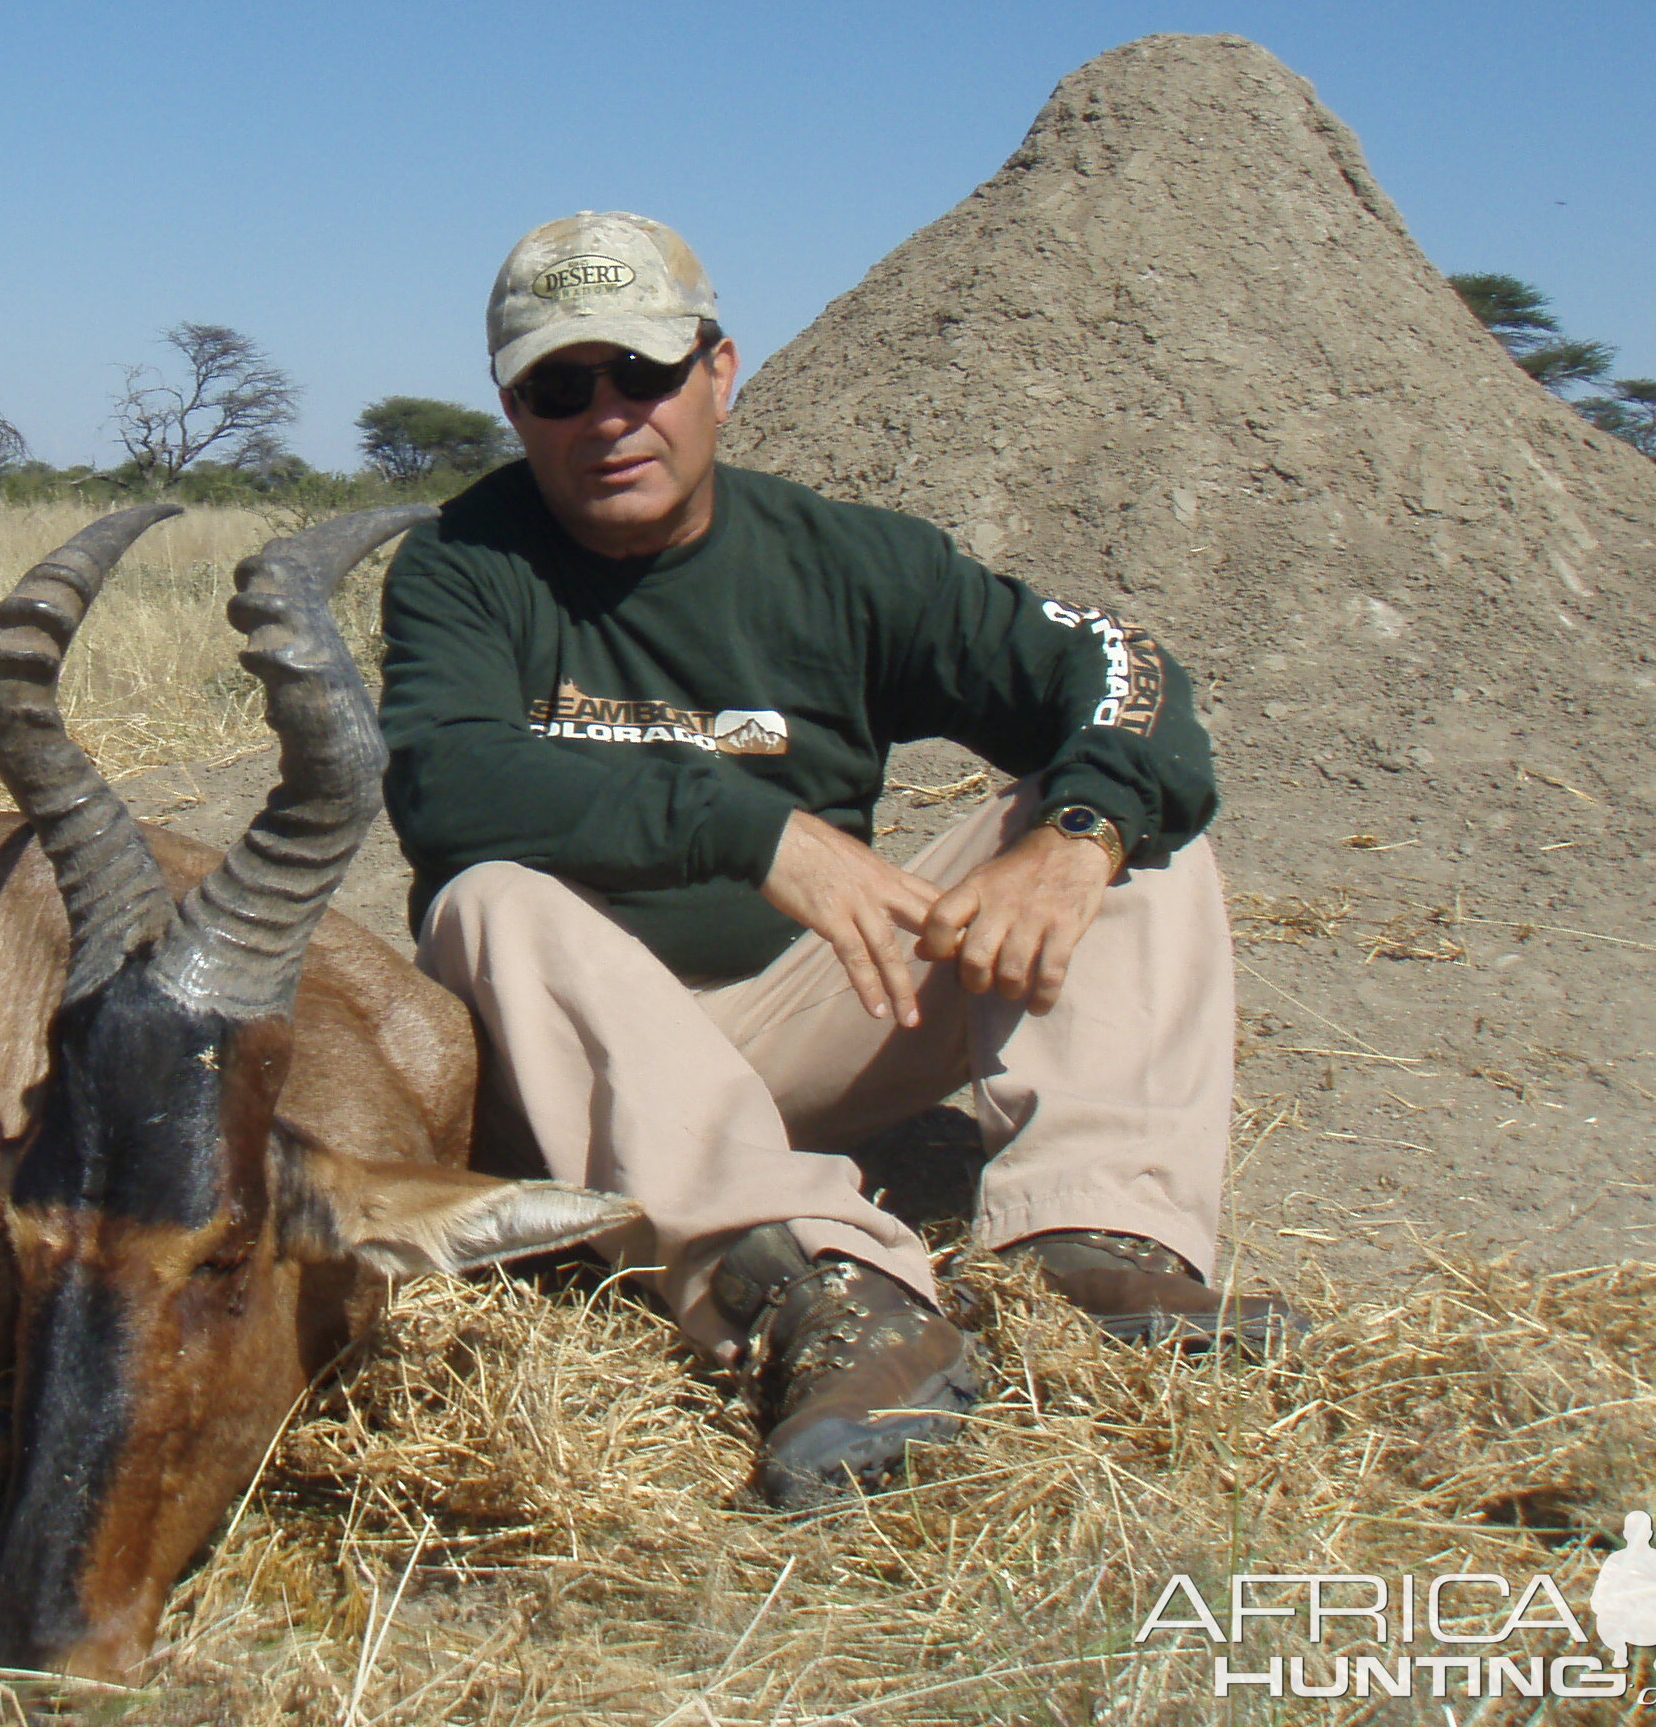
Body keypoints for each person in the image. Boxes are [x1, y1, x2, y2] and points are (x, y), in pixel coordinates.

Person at [379, 211, 1296, 1507]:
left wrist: (1076, 838)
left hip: (819, 1010)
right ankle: (826, 1298)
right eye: (559, 386)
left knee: (1130, 840)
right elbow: (444, 776)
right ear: (514, 405)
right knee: (490, 900)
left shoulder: (850, 561)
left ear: (718, 371)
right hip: (579, 1058)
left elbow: (1120, 672)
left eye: (642, 373)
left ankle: (1096, 1247)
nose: (609, 416)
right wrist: (750, 828)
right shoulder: (463, 567)